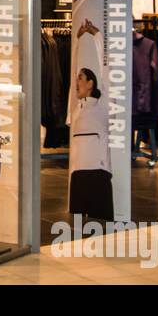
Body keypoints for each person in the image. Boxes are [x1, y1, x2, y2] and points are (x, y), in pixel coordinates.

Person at [68, 19, 112, 219]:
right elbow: (71, 69)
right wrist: (76, 41)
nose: (77, 82)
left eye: (81, 78)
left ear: (91, 84)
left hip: (98, 173)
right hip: (78, 174)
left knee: (101, 226)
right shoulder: (75, 108)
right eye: (77, 78)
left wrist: (96, 35)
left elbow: (106, 69)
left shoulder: (102, 105)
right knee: (77, 228)